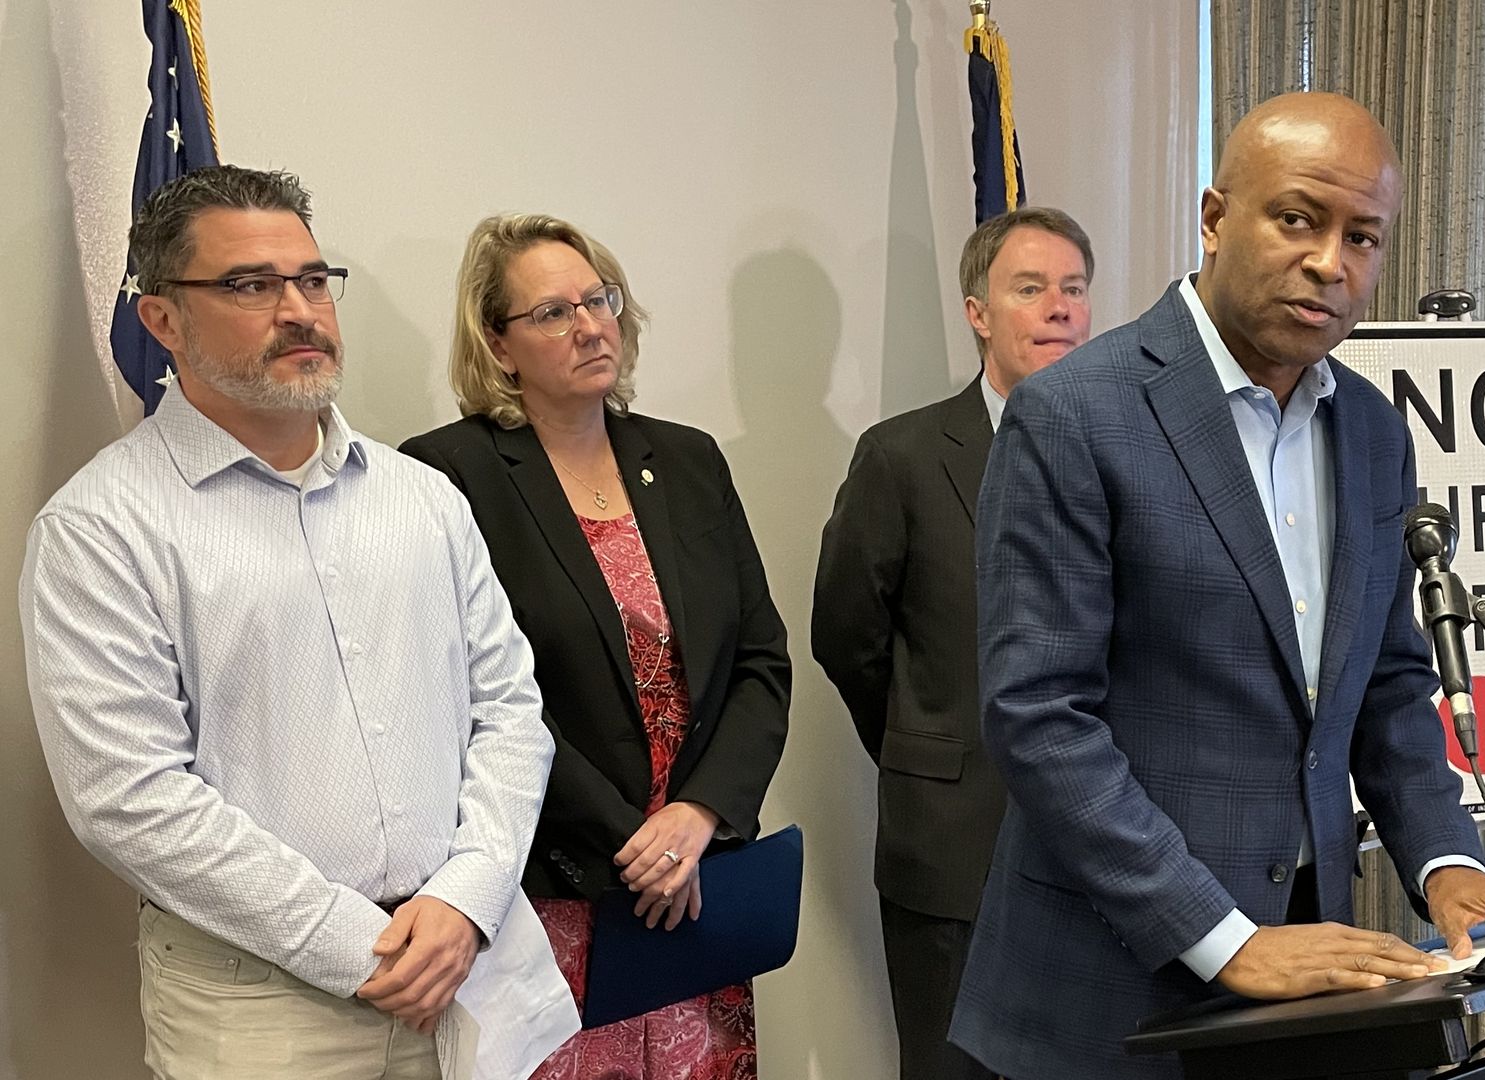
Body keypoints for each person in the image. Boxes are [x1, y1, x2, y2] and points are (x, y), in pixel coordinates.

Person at [948, 93, 1485, 1079]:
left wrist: (1449, 867)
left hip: (1313, 977)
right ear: (1216, 219)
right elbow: (1041, 717)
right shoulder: (1074, 415)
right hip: (1108, 993)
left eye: (1363, 237)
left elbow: (1388, 683)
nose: (1329, 263)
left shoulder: (1374, 430)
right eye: (1298, 219)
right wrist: (1221, 936)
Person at [21, 165, 560, 1078]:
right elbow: (129, 795)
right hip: (265, 1005)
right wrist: (360, 947)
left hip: (468, 965)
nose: (299, 311)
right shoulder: (100, 529)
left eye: (312, 279)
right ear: (162, 320)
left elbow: (510, 709)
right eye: (249, 285)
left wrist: (468, 897)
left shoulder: (422, 498)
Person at [400, 213, 791, 1079]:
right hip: (558, 891)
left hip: (698, 880)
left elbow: (759, 660)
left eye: (598, 300)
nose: (589, 326)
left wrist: (699, 815)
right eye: (552, 312)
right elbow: (472, 698)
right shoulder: (446, 476)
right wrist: (635, 845)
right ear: (497, 344)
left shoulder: (688, 460)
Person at [812, 207, 1094, 1080]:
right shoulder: (901, 457)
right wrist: (927, 747)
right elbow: (847, 636)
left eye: (1074, 288)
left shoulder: (1127, 452)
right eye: (1030, 288)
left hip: (1101, 854)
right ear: (977, 312)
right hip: (952, 849)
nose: (1059, 307)